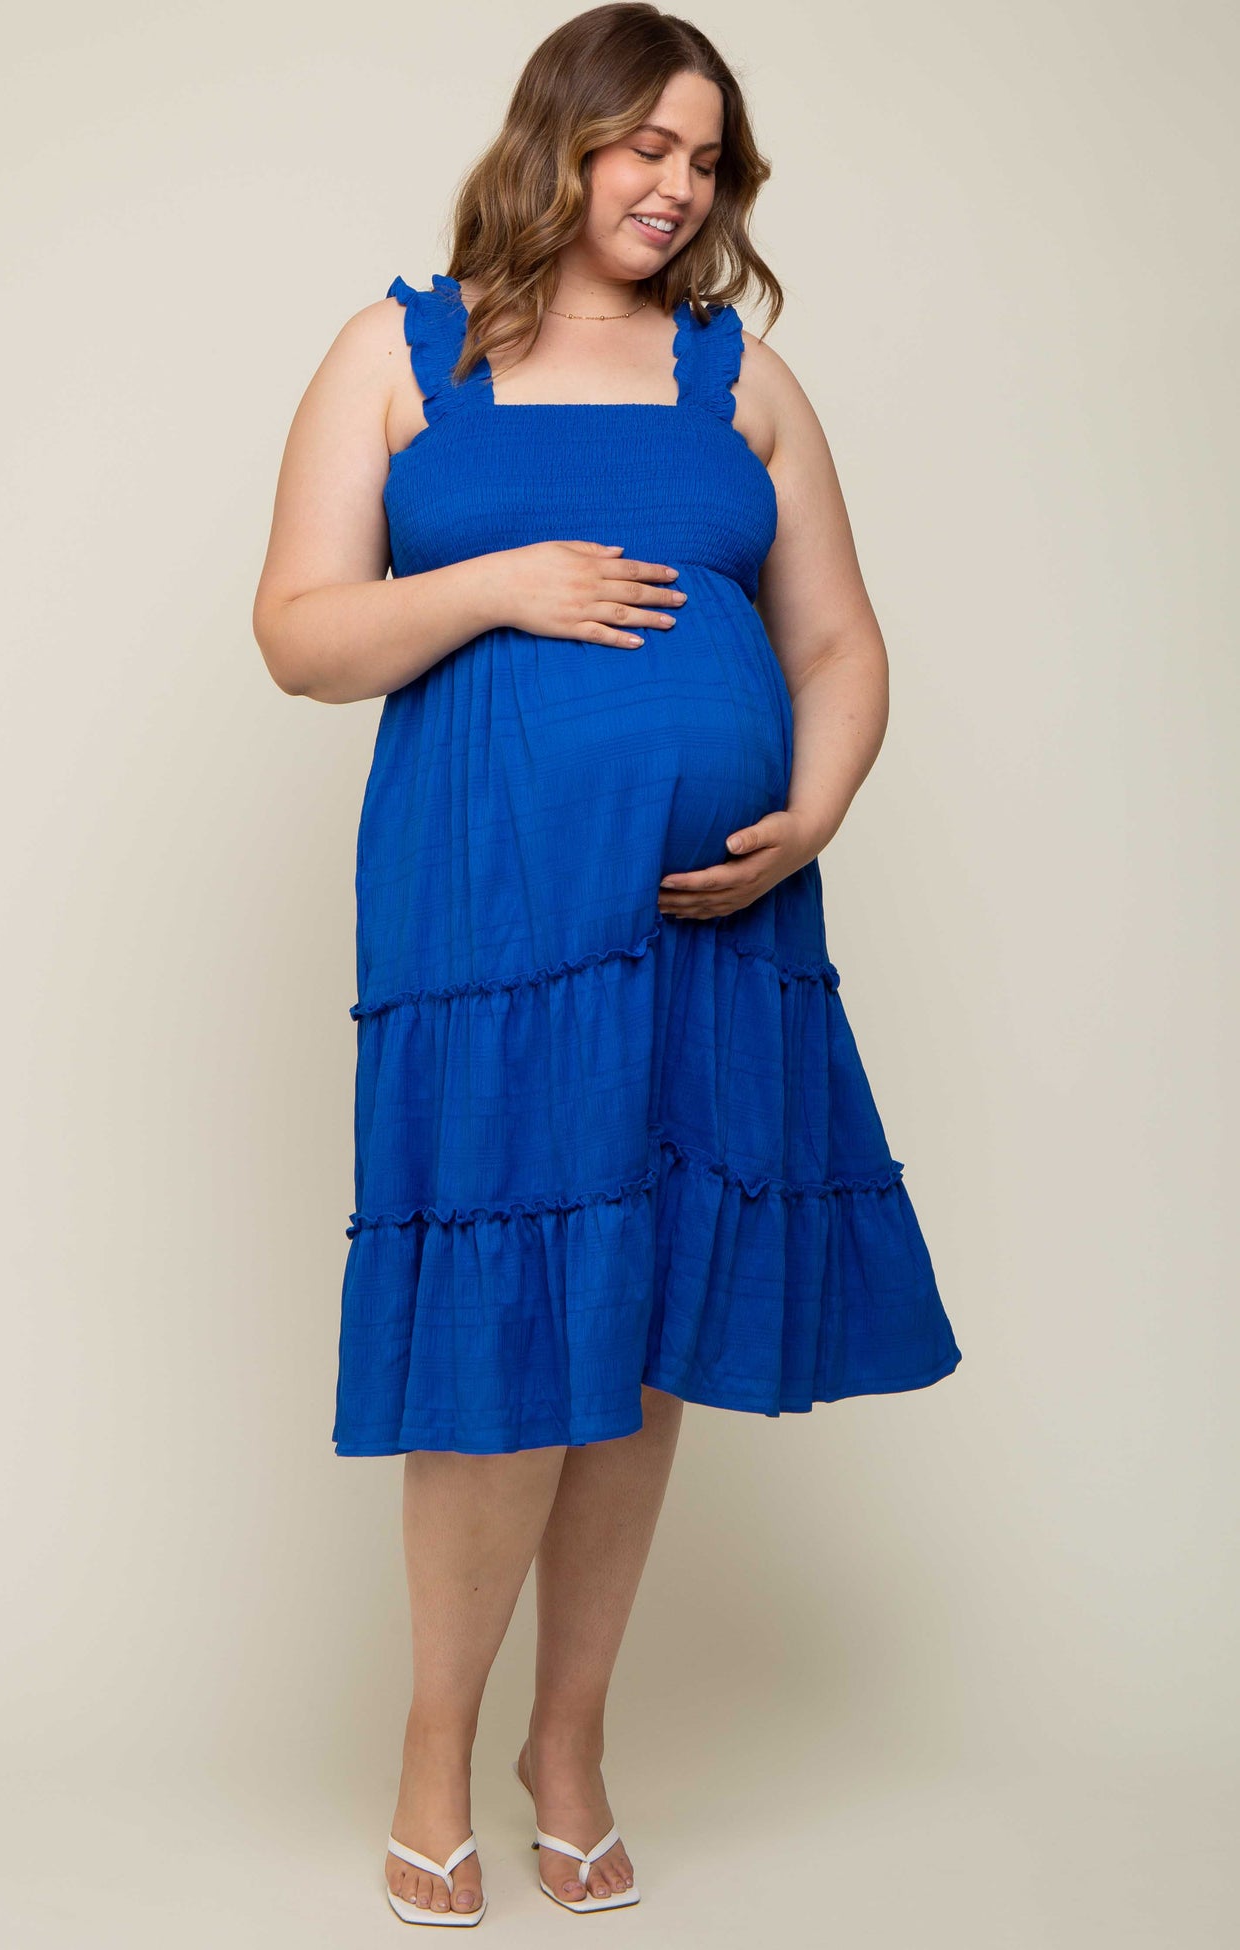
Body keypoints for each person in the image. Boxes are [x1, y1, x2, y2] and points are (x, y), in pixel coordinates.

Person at [253, 2, 962, 1926]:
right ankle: (434, 1752)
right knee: (507, 1327)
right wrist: (504, 581)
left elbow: (840, 641)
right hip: (493, 925)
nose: (677, 185)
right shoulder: (400, 354)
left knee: (646, 1330)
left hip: (713, 932)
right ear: (556, 138)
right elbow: (300, 633)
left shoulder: (745, 378)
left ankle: (566, 1747)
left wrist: (811, 810)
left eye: (707, 160)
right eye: (646, 144)